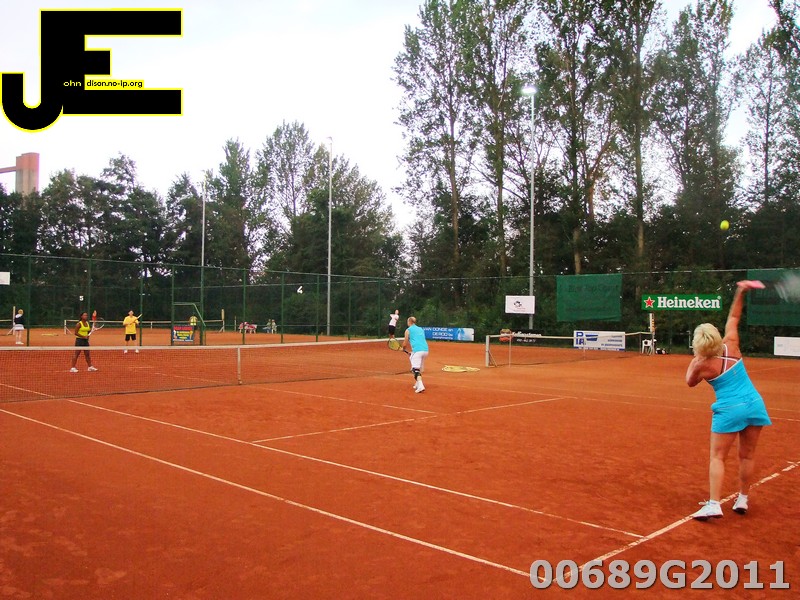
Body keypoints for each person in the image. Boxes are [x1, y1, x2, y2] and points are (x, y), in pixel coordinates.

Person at [686, 280, 772, 520]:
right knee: (747, 455)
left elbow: (689, 382)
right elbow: (734, 317)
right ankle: (743, 498)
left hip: (729, 409)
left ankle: (714, 504)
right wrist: (741, 291)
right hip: (754, 404)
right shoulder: (731, 343)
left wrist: (696, 360)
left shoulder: (702, 365)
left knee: (717, 457)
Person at [402, 316, 428, 393]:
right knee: (418, 368)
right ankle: (417, 383)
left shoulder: (408, 330)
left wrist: (403, 348)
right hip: (425, 350)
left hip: (418, 351)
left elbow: (405, 342)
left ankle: (421, 386)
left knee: (415, 370)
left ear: (409, 322)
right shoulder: (420, 329)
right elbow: (419, 340)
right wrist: (413, 352)